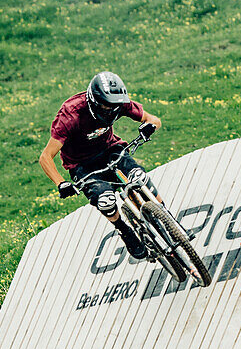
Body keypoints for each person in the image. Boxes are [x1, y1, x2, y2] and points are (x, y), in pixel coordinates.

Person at [39, 71, 162, 260]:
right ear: (94, 101)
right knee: (106, 200)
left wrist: (150, 126)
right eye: (106, 107)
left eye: (115, 107)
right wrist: (61, 183)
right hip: (82, 165)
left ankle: (166, 216)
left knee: (139, 177)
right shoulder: (70, 115)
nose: (111, 111)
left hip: (110, 149)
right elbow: (46, 157)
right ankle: (124, 230)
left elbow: (154, 119)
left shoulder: (119, 102)